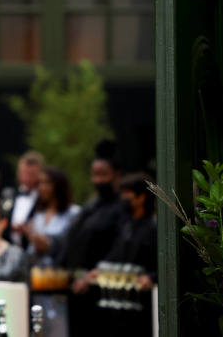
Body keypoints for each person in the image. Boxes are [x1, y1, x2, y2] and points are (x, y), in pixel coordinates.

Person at [60, 143, 126, 335]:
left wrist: (92, 276)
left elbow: (119, 249)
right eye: (94, 175)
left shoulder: (122, 208)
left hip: (101, 292)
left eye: (103, 174)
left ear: (117, 174)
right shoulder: (91, 205)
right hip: (76, 289)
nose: (98, 180)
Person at [87, 172, 156, 337]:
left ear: (141, 197)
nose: (122, 198)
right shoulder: (125, 225)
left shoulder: (153, 228)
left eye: (127, 193)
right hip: (119, 303)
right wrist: (100, 270)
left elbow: (161, 264)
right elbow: (116, 255)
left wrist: (151, 277)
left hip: (141, 307)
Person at [26, 167, 79, 337]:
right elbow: (30, 253)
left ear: (59, 185)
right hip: (39, 282)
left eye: (47, 182)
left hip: (61, 284)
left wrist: (50, 246)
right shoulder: (38, 215)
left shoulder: (73, 213)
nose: (42, 187)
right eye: (40, 183)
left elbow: (75, 249)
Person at [6, 151, 45, 246]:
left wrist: (29, 232)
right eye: (24, 173)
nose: (26, 178)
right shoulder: (9, 194)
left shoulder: (44, 199)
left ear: (41, 174)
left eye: (31, 175)